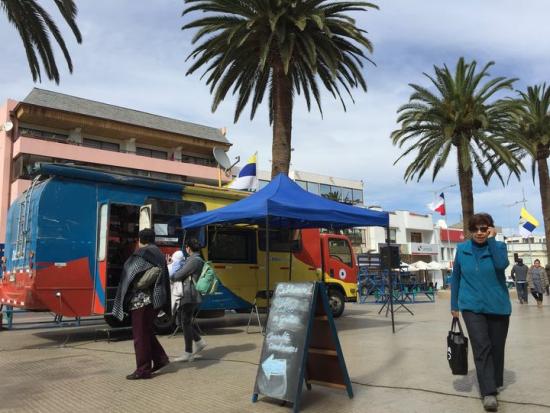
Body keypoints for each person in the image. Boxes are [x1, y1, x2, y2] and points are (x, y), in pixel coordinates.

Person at [451, 213, 510, 412]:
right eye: (475, 229)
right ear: (470, 231)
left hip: (498, 306)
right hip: (471, 306)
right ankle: (488, 393)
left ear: (490, 229)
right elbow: (456, 278)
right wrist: (454, 305)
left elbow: (501, 265)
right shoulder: (462, 249)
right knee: (481, 346)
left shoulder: (499, 247)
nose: (479, 233)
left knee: (496, 348)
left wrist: (493, 240)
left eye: (484, 229)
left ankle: (494, 382)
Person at [112, 228, 171, 380]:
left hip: (140, 301)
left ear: (140, 240)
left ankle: (143, 369)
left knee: (140, 336)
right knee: (147, 332)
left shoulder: (142, 253)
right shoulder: (157, 252)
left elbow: (129, 272)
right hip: (152, 300)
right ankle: (160, 359)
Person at [171, 238, 207, 362]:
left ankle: (189, 351)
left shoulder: (193, 260)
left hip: (189, 294)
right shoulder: (196, 259)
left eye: (186, 247)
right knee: (184, 322)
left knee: (184, 322)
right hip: (191, 294)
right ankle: (198, 342)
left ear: (188, 248)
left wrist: (172, 273)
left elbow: (178, 275)